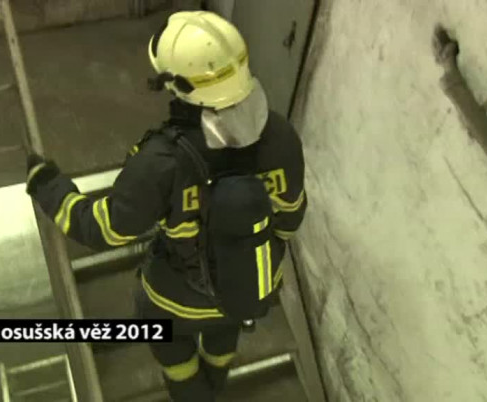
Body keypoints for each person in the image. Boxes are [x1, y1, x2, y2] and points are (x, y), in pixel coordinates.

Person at [26, 10, 307, 402]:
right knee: (224, 329)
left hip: (174, 300)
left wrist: (47, 185)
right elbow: (290, 221)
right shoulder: (282, 136)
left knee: (167, 338)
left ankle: (191, 392)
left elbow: (101, 230)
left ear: (179, 87)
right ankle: (215, 378)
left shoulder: (160, 163)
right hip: (247, 291)